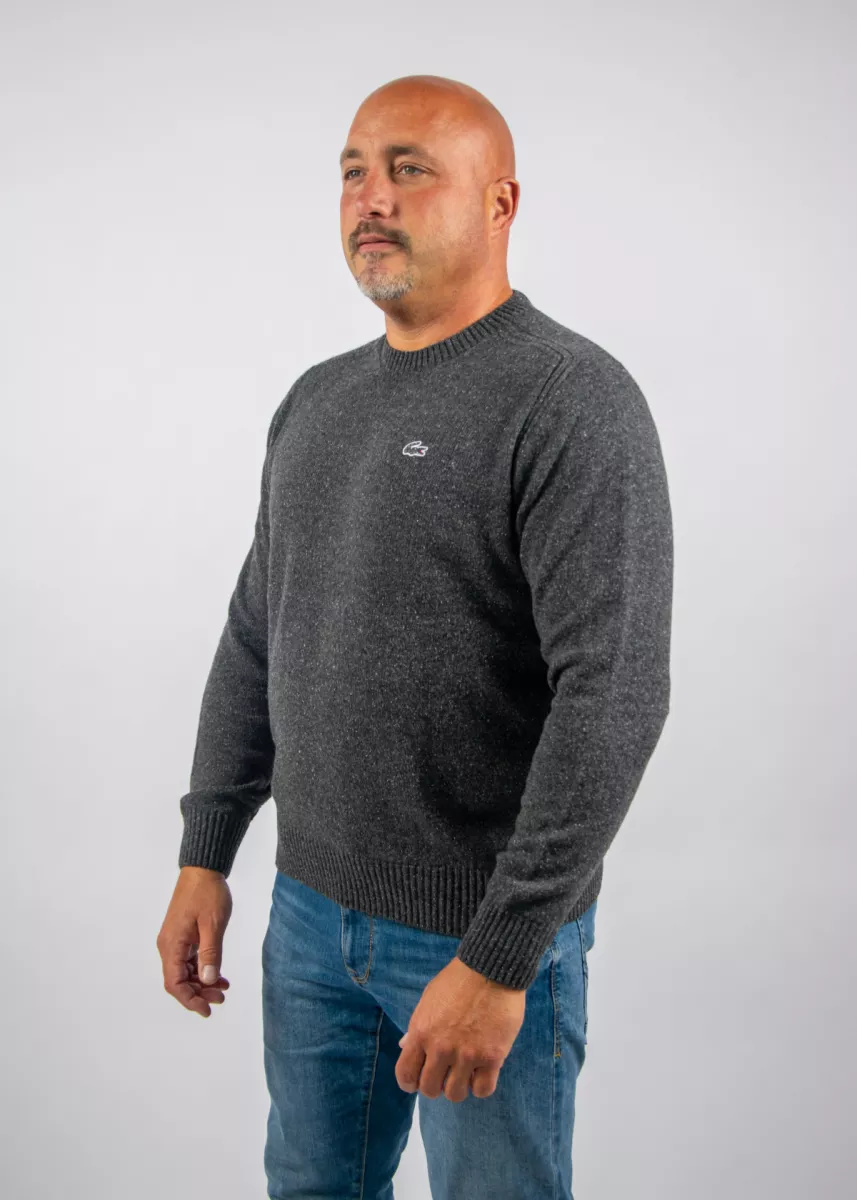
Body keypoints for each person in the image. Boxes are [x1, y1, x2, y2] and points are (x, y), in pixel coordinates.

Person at [156, 73, 673, 1199]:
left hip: (477, 937)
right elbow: (256, 635)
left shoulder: (571, 400)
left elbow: (613, 695)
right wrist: (207, 848)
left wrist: (499, 955)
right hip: (307, 919)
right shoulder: (316, 402)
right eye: (352, 172)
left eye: (409, 170)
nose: (371, 198)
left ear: (500, 202)